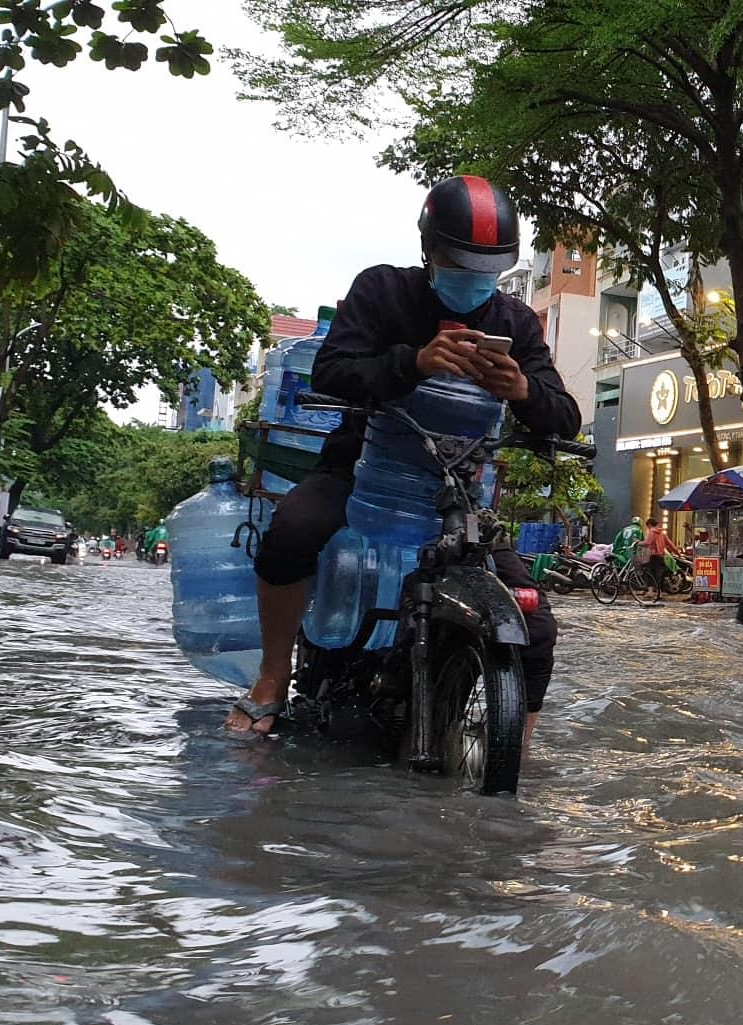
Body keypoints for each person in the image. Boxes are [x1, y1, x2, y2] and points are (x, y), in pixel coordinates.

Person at [227, 175, 581, 739]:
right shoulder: (382, 291)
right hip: (357, 472)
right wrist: (412, 362)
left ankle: (519, 743)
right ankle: (272, 677)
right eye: (460, 264)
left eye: (487, 271)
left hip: (457, 493)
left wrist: (522, 390)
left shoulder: (515, 323)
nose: (474, 281)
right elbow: (332, 372)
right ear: (429, 250)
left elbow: (564, 416)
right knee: (291, 533)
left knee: (534, 624)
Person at [640, 517, 676, 599]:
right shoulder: (662, 533)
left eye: (648, 526)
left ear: (649, 524)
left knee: (650, 573)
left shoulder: (652, 532)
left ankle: (650, 591)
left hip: (653, 556)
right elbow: (670, 544)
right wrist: (678, 552)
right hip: (661, 556)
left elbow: (647, 543)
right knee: (659, 575)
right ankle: (659, 592)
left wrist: (638, 543)